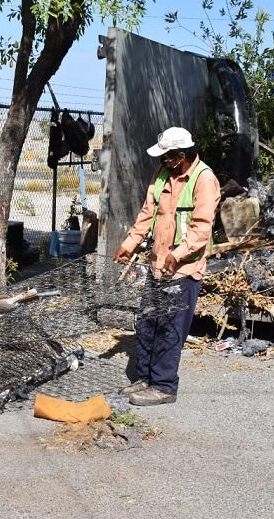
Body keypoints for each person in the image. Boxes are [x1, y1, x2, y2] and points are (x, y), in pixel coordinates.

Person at [113, 127, 220, 406]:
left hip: (183, 270)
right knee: (148, 323)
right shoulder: (162, 175)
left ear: (181, 156)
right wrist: (130, 244)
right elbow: (146, 215)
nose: (163, 162)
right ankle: (146, 378)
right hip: (157, 265)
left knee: (169, 330)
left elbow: (201, 228)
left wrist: (179, 253)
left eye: (167, 158)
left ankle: (164, 386)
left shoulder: (203, 179)